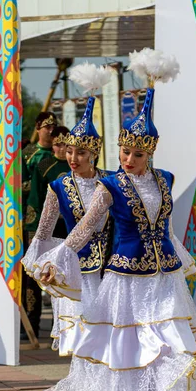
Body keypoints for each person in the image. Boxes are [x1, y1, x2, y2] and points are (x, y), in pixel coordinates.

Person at [28, 50, 196, 391]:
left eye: (136, 154)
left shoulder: (164, 180)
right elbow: (88, 227)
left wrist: (181, 260)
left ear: (150, 154)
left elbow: (166, 229)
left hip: (164, 285)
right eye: (124, 152)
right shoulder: (109, 185)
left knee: (179, 359)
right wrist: (58, 257)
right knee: (131, 363)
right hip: (126, 285)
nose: (128, 159)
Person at [22, 64, 114, 352]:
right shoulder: (58, 185)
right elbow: (43, 231)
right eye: (70, 151)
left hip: (111, 269)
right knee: (82, 343)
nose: (73, 158)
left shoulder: (111, 181)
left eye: (81, 152)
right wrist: (48, 265)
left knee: (110, 342)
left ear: (94, 153)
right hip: (74, 270)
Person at [21, 112, 58, 340]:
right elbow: (18, 183)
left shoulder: (59, 158)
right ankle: (31, 323)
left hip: (58, 224)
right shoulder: (29, 155)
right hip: (32, 218)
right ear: (37, 128)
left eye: (54, 128)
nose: (50, 132)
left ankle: (58, 323)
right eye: (47, 128)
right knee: (32, 274)